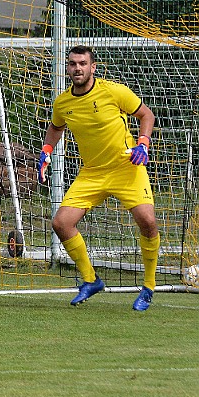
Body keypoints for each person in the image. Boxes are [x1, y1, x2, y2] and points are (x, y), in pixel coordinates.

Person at [37, 45, 160, 311]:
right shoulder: (63, 102)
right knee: (61, 223)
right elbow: (56, 127)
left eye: (82, 63)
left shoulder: (113, 91)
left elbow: (146, 114)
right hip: (92, 173)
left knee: (148, 222)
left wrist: (143, 144)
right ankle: (91, 280)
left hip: (127, 167)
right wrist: (46, 151)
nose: (77, 68)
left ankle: (148, 287)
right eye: (72, 64)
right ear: (68, 68)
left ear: (93, 67)